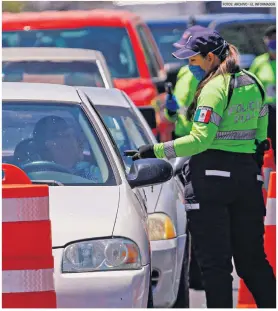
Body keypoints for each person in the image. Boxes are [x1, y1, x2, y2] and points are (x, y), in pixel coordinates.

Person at [126, 28, 276, 308]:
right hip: (246, 179)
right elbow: (260, 135)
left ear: (209, 58)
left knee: (215, 266)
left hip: (211, 181)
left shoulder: (213, 88)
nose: (188, 66)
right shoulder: (252, 82)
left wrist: (155, 150)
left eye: (192, 60)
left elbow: (199, 139)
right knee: (253, 262)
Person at [33, 115, 102, 182]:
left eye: (75, 135)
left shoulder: (90, 172)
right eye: (68, 135)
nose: (80, 141)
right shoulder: (31, 173)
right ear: (51, 144)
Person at [165, 26, 204, 139]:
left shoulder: (212, 76)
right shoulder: (184, 71)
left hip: (202, 141)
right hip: (182, 137)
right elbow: (177, 114)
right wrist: (171, 111)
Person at [249, 25, 276, 160]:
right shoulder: (259, 62)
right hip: (267, 112)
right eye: (271, 39)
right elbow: (250, 86)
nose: (274, 42)